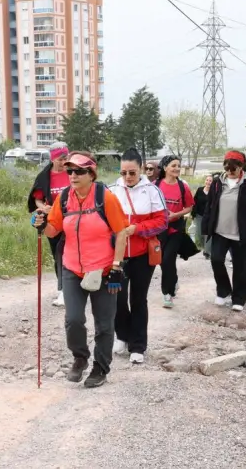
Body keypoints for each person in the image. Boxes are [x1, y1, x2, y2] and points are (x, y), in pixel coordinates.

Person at [31, 151, 132, 388]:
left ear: (91, 174)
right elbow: (54, 230)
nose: (72, 176)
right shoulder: (64, 198)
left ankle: (101, 367)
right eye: (69, 171)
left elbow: (121, 233)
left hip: (104, 269)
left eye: (78, 171)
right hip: (72, 268)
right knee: (73, 319)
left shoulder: (105, 198)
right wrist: (41, 223)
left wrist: (117, 267)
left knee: (104, 324)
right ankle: (80, 357)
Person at [109, 149, 168, 364]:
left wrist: (137, 228)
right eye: (123, 172)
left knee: (138, 299)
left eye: (132, 173)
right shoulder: (111, 191)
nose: (127, 177)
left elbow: (162, 221)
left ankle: (138, 346)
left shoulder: (152, 191)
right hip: (118, 256)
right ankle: (122, 335)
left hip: (143, 255)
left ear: (141, 169)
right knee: (117, 298)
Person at [201, 151, 246, 311]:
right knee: (216, 260)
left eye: (234, 168)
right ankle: (223, 290)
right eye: (227, 168)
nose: (230, 171)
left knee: (240, 267)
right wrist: (205, 227)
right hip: (220, 231)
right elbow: (209, 207)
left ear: (241, 167)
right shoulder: (218, 183)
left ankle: (239, 297)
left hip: (242, 234)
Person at [27, 142, 71, 307]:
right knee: (59, 255)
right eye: (60, 159)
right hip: (54, 221)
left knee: (75, 254)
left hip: (74, 220)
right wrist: (43, 207)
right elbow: (37, 198)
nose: (63, 162)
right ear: (53, 159)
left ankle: (78, 288)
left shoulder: (73, 172)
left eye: (66, 158)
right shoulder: (44, 176)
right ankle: (62, 291)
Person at [155, 155, 194, 308]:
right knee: (162, 261)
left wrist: (176, 215)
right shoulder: (155, 185)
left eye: (178, 165)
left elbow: (189, 207)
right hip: (159, 229)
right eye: (173, 165)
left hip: (176, 229)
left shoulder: (182, 186)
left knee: (167, 260)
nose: (177, 168)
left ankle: (167, 294)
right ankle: (174, 280)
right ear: (165, 168)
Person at [192, 174, 214, 259]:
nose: (208, 182)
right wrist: (193, 214)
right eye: (207, 180)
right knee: (199, 234)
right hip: (199, 215)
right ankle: (204, 247)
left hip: (209, 217)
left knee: (207, 234)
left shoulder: (214, 192)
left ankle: (207, 252)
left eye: (210, 181)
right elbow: (195, 202)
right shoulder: (200, 190)